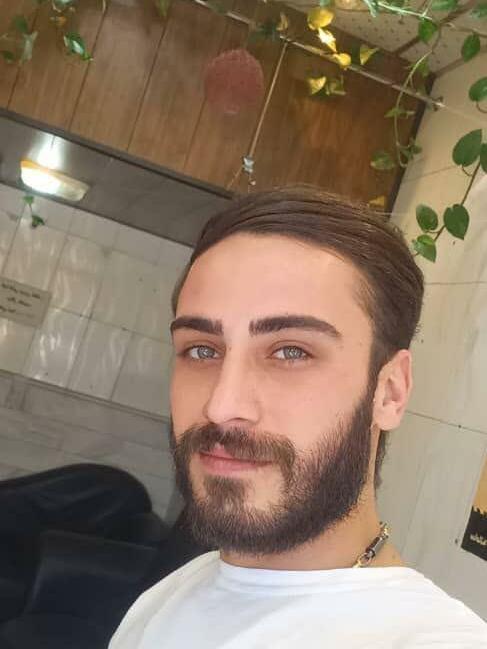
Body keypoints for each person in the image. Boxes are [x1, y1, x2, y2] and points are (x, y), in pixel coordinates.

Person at [109, 186, 487, 648]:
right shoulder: (170, 593)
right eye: (202, 350)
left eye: (291, 352)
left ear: (389, 392)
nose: (221, 406)